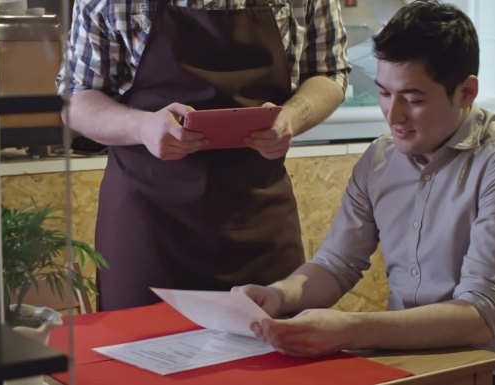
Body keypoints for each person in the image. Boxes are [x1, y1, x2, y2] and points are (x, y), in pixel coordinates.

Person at [233, 1, 495, 383]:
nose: (393, 115)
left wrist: (349, 328)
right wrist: (279, 296)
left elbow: (481, 316)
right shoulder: (380, 158)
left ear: (466, 92)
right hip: (403, 362)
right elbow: (337, 263)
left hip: (492, 370)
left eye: (413, 100)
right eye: (383, 93)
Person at [57, 0, 351, 311]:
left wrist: (291, 117)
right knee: (141, 349)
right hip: (148, 225)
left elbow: (328, 72)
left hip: (260, 219)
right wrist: (142, 126)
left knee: (274, 350)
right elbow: (75, 98)